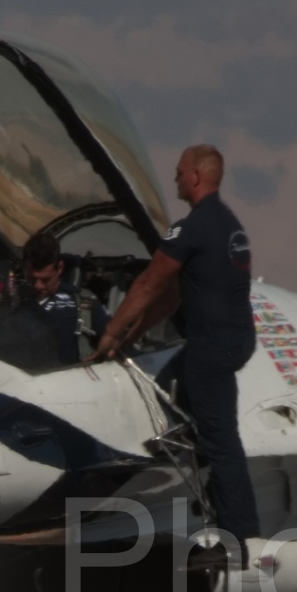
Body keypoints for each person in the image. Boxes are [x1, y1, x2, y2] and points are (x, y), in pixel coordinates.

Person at [93, 144, 260, 543]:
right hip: (235, 341)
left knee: (222, 443)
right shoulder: (228, 224)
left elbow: (149, 282)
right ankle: (198, 487)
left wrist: (112, 333)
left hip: (211, 347)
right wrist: (138, 331)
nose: (175, 178)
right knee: (176, 394)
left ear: (197, 177)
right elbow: (174, 295)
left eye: (180, 172)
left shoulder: (192, 227)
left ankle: (241, 537)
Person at [20, 231, 106, 365]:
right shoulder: (11, 299)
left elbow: (112, 341)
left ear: (59, 268)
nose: (38, 286)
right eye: (31, 278)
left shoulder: (84, 303)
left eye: (45, 279)